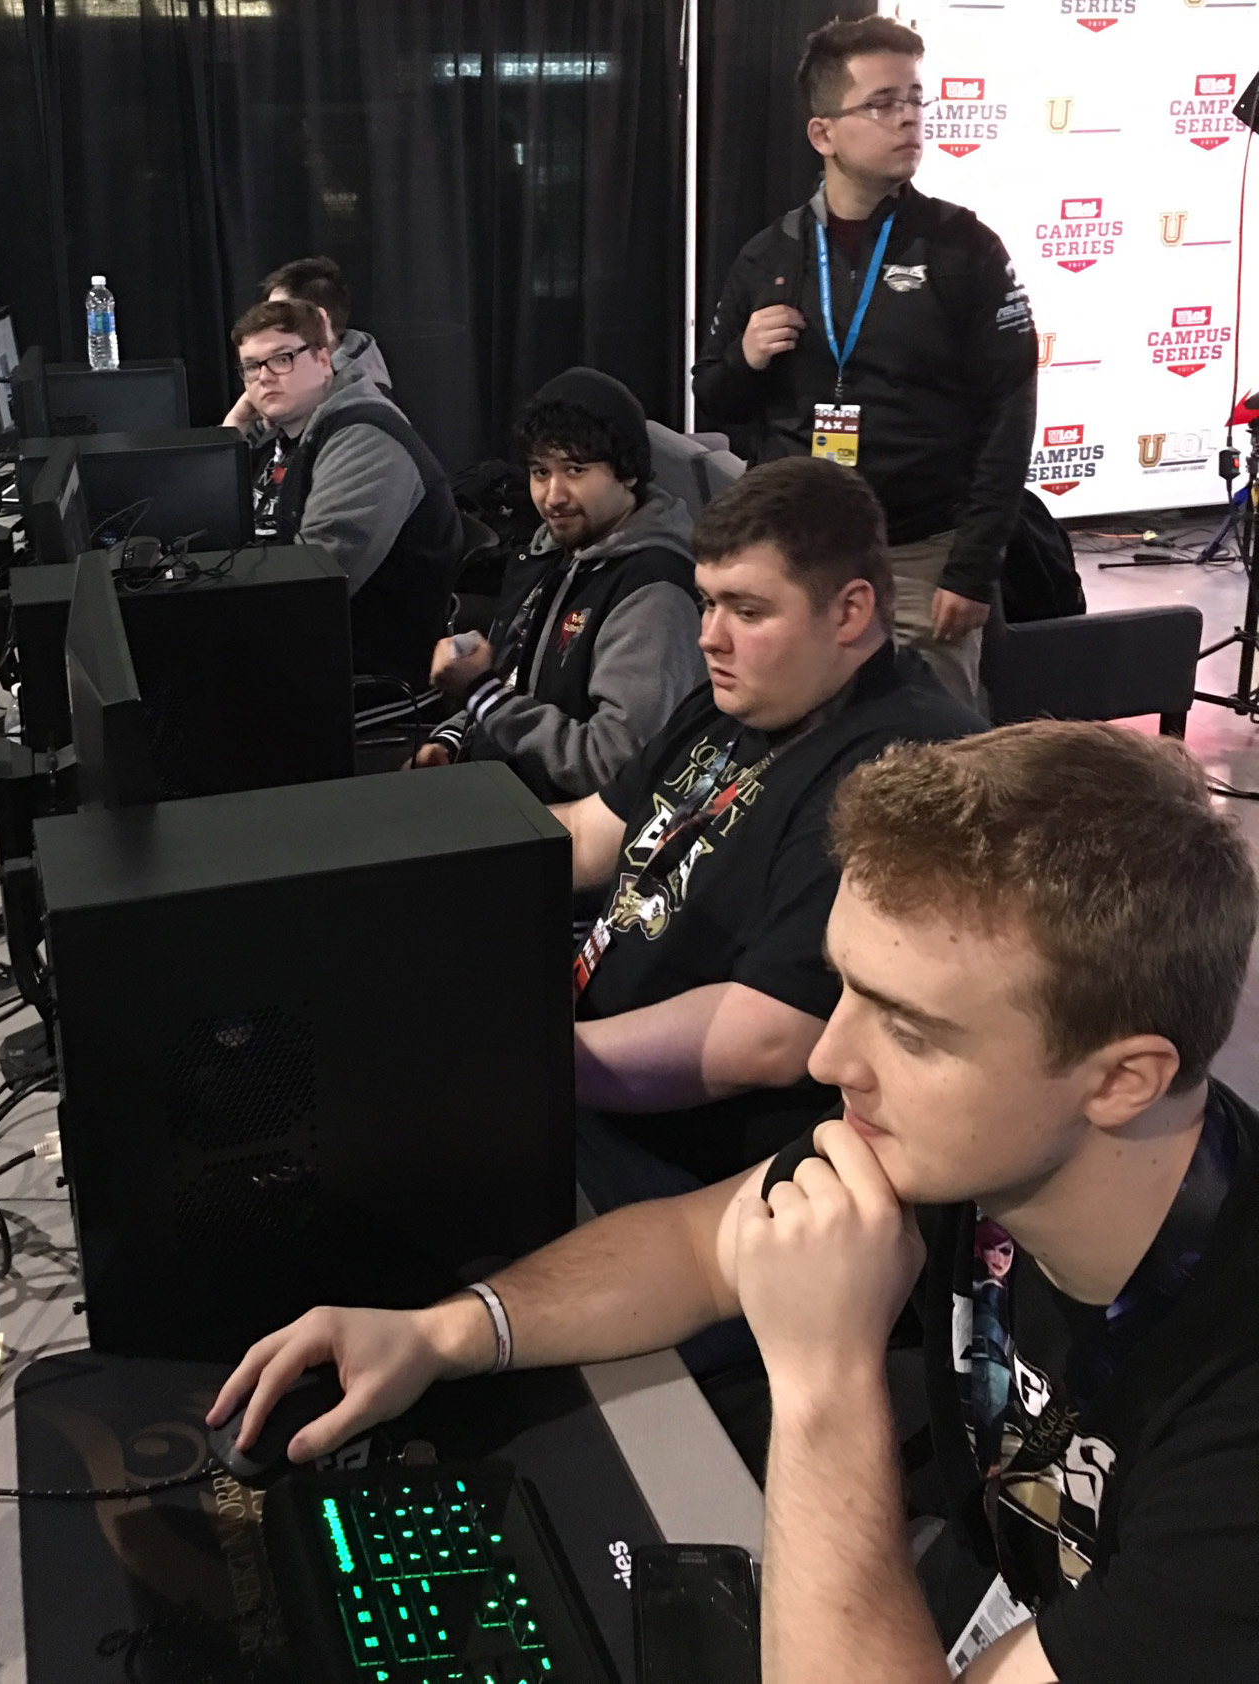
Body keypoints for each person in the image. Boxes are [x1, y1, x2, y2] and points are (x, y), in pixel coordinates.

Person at [210, 720, 1259, 1684]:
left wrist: (824, 1376)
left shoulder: (1232, 1445)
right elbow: (699, 1244)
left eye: (910, 1029)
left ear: (1123, 1079)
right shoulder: (978, 1144)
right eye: (845, 988)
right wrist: (443, 1334)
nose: (829, 1056)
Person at [559, 454, 978, 1201]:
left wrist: (533, 1070)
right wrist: (440, 863)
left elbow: (769, 1036)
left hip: (696, 1167)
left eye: (747, 611)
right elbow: (593, 833)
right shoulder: (741, 697)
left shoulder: (902, 768)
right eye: (706, 603)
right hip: (592, 1070)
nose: (709, 637)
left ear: (849, 612)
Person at [692, 15, 1036, 710]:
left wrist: (972, 568)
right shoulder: (770, 254)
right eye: (882, 104)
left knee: (934, 756)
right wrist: (746, 359)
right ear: (823, 133)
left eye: (914, 99)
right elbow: (714, 398)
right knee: (800, 739)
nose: (908, 119)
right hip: (794, 558)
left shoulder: (965, 248)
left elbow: (1010, 413)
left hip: (921, 555)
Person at [412, 367, 704, 803]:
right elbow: (512, 682)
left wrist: (479, 691)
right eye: (540, 472)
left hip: (556, 823)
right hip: (502, 790)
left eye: (575, 469)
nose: (553, 496)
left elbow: (611, 766)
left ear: (628, 472)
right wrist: (454, 739)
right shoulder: (553, 551)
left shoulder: (654, 593)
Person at [229, 297, 461, 711]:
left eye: (282, 359)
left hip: (370, 673)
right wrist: (238, 424)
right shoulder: (291, 434)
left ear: (324, 360)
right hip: (314, 649)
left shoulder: (365, 436)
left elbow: (314, 584)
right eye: (251, 366)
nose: (264, 377)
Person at [222, 255, 393, 431]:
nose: (264, 377)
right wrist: (237, 421)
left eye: (283, 315)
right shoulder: (272, 397)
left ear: (320, 320)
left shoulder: (361, 412)